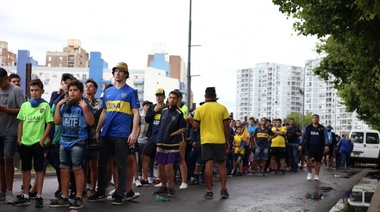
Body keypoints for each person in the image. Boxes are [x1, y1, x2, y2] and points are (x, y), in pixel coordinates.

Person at [88, 62, 140, 205]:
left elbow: (136, 113)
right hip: (106, 134)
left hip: (122, 134)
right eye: (115, 70)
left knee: (121, 165)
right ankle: (100, 192)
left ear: (126, 74)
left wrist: (134, 132)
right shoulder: (108, 92)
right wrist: (98, 130)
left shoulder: (131, 92)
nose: (117, 73)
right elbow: (104, 112)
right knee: (102, 164)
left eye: (121, 71)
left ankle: (120, 193)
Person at [50, 80, 94, 209]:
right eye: (70, 90)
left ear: (81, 92)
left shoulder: (84, 105)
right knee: (63, 169)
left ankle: (78, 197)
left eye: (75, 90)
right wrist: (58, 106)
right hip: (64, 141)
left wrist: (85, 108)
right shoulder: (65, 106)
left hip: (78, 142)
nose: (72, 92)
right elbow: (57, 122)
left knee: (77, 169)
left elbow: (91, 122)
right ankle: (64, 196)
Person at [13, 79, 53, 207]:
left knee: (39, 169)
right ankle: (25, 195)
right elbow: (21, 122)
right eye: (32, 90)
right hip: (25, 142)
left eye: (36, 90)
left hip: (38, 143)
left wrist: (42, 140)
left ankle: (39, 195)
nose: (34, 93)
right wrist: (19, 138)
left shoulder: (45, 106)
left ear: (42, 91)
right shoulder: (25, 105)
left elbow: (49, 124)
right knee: (25, 169)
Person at [193, 87, 230, 199]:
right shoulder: (222, 108)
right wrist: (227, 140)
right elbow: (226, 125)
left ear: (205, 96)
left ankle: (209, 191)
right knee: (221, 165)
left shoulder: (200, 109)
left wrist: (204, 124)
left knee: (208, 165)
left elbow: (195, 125)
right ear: (215, 95)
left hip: (206, 140)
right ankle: (223, 190)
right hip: (220, 140)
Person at [152, 90, 186, 197]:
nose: (172, 99)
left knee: (169, 166)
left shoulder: (179, 113)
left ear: (177, 100)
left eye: (174, 98)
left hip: (172, 144)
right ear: (168, 98)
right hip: (161, 142)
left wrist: (171, 134)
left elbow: (182, 129)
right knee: (161, 166)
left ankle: (171, 188)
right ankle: (163, 187)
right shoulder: (163, 111)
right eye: (170, 97)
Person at [0, 67, 26, 203]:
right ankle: (2, 189)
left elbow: (23, 110)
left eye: (1, 81)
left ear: (6, 78)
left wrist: (5, 109)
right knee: (0, 160)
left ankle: (10, 191)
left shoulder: (16, 91)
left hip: (11, 131)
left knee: (8, 159)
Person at [141, 88, 166, 187]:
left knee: (160, 159)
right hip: (152, 136)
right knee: (144, 156)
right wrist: (155, 111)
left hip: (162, 137)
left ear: (164, 96)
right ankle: (145, 178)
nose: (158, 97)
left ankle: (159, 178)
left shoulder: (167, 108)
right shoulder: (152, 107)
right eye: (157, 95)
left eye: (160, 95)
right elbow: (147, 119)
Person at [299, 114, 330, 181]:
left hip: (319, 147)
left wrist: (326, 145)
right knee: (308, 160)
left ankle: (316, 175)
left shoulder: (322, 128)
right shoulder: (308, 127)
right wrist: (300, 144)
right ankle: (309, 172)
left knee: (317, 161)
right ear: (312, 119)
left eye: (317, 118)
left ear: (318, 119)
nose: (315, 119)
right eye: (314, 118)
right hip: (309, 147)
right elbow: (303, 136)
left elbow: (326, 137)